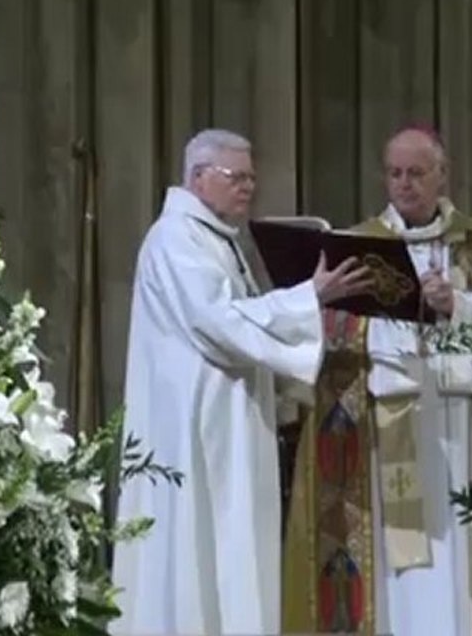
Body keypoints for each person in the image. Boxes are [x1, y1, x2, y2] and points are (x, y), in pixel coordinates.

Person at [109, 128, 372, 636]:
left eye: (252, 177)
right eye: (237, 177)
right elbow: (221, 324)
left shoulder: (213, 239)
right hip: (192, 433)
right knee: (195, 551)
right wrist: (306, 297)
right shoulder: (174, 239)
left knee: (228, 553)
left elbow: (242, 324)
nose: (248, 187)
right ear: (199, 176)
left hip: (225, 427)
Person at [282, 126, 472, 635]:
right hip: (386, 424)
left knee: (459, 550)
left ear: (442, 176)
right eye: (395, 173)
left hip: (457, 430)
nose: (405, 184)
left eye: (417, 173)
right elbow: (333, 334)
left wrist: (459, 307)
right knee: (398, 561)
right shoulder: (359, 246)